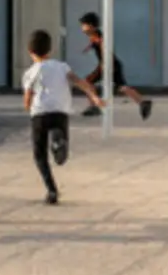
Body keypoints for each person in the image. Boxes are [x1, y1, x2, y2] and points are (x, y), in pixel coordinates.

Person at [23, 29, 103, 205]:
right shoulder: (62, 66)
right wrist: (95, 97)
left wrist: (28, 107)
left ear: (30, 51)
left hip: (40, 113)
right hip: (60, 112)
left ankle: (51, 190)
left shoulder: (30, 72)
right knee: (61, 156)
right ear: (50, 50)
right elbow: (79, 81)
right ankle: (58, 139)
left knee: (39, 155)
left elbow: (27, 98)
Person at [76, 11, 154, 120]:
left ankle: (94, 106)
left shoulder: (98, 37)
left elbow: (103, 46)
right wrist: (89, 47)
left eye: (83, 25)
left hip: (107, 63)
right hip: (114, 64)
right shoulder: (94, 35)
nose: (82, 27)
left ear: (91, 26)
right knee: (122, 87)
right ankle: (143, 102)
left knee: (86, 82)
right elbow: (97, 44)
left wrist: (104, 65)